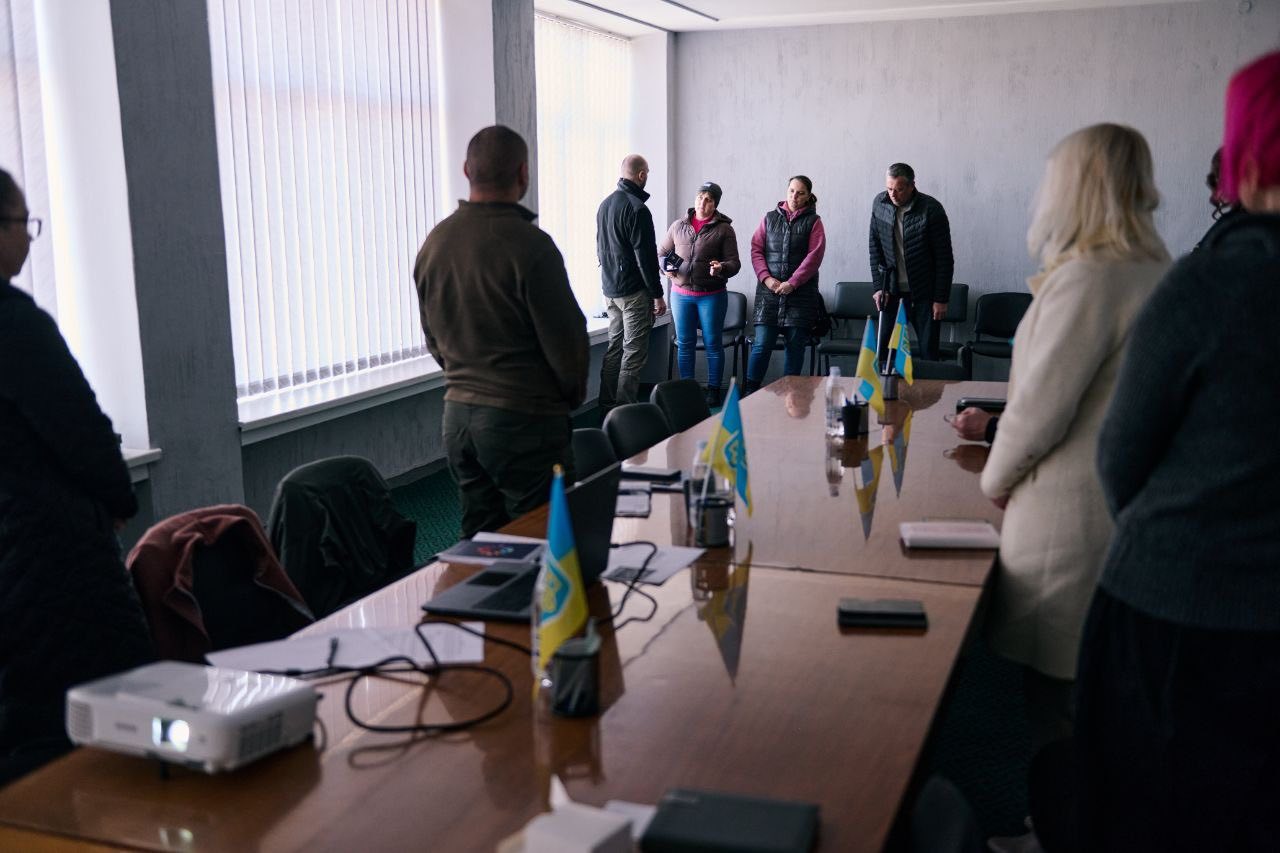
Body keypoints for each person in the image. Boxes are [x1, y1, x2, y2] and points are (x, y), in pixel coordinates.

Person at [1075, 51, 1280, 852]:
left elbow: (1121, 458)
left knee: (1148, 815)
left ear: (1247, 162)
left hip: (1178, 616)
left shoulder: (1209, 284)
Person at [978, 124, 1170, 750]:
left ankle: (1058, 810)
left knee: (1058, 711)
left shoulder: (1090, 278)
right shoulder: (1160, 272)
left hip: (1068, 522)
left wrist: (994, 479)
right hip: (1126, 513)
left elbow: (1039, 412)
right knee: (1104, 701)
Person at [0, 169, 154, 784]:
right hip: (47, 563)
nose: (28, 238)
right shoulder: (15, 324)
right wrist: (117, 499)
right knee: (96, 738)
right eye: (23, 224)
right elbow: (82, 431)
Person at [413, 126, 589, 539]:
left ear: (466, 170)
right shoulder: (531, 246)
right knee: (550, 540)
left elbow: (434, 339)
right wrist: (566, 399)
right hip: (525, 419)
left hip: (458, 418)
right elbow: (567, 346)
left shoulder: (435, 243)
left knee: (480, 543)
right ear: (523, 174)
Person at [657, 180, 741, 407]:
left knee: (713, 343)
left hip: (711, 296)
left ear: (715, 205)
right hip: (681, 295)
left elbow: (734, 263)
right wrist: (665, 267)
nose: (703, 202)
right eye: (700, 197)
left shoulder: (724, 229)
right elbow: (661, 253)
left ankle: (714, 390)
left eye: (709, 199)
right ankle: (688, 390)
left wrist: (722, 267)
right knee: (685, 343)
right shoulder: (678, 226)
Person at [596, 154, 667, 411]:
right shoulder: (638, 209)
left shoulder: (604, 205)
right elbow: (646, 259)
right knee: (633, 352)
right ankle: (625, 412)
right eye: (647, 174)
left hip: (610, 290)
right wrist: (657, 294)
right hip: (633, 292)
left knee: (615, 348)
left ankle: (607, 407)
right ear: (641, 175)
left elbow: (600, 247)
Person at [744, 175, 826, 393]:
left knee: (795, 348)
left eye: (800, 193)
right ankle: (749, 393)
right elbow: (756, 249)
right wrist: (766, 278)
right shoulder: (769, 218)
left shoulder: (814, 222)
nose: (794, 196)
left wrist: (793, 282)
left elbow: (814, 256)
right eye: (791, 191)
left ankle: (792, 397)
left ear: (808, 196)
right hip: (768, 295)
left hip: (801, 296)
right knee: (762, 345)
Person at [868, 163, 954, 360]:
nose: (893, 194)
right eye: (889, 188)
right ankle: (888, 382)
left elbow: (944, 258)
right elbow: (875, 250)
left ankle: (929, 383)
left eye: (899, 189)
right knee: (884, 354)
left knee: (928, 353)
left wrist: (941, 299)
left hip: (925, 294)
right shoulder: (879, 204)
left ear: (912, 186)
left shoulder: (931, 209)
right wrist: (878, 287)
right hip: (891, 292)